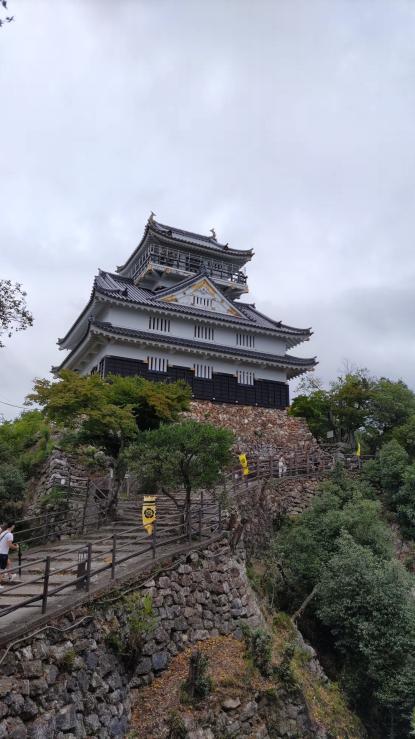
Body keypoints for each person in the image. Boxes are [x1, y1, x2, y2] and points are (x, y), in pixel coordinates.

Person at [0, 523, 19, 589]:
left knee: (8, 563)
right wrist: (16, 547)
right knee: (1, 569)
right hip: (3, 554)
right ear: (12, 526)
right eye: (14, 526)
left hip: (1, 552)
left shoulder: (3, 533)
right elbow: (10, 545)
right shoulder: (9, 534)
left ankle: (10, 576)